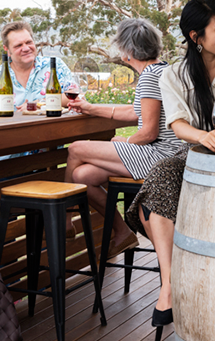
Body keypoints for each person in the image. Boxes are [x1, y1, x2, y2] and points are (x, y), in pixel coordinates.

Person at [123, 0, 215, 330]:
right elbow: (177, 124)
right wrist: (203, 137)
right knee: (161, 180)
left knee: (161, 191)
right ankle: (170, 285)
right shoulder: (174, 75)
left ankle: (185, 280)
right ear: (195, 36)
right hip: (197, 156)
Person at [64, 19, 181, 257]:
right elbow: (136, 112)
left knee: (75, 149)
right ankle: (123, 231)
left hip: (161, 156)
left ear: (126, 51)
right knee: (82, 175)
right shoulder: (163, 69)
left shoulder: (149, 76)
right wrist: (90, 108)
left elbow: (148, 133)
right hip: (172, 155)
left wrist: (124, 142)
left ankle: (65, 217)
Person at [0, 21, 73, 112]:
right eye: (18, 45)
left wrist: (39, 104)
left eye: (29, 42)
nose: (26, 48)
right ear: (7, 50)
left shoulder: (55, 66)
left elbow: (75, 96)